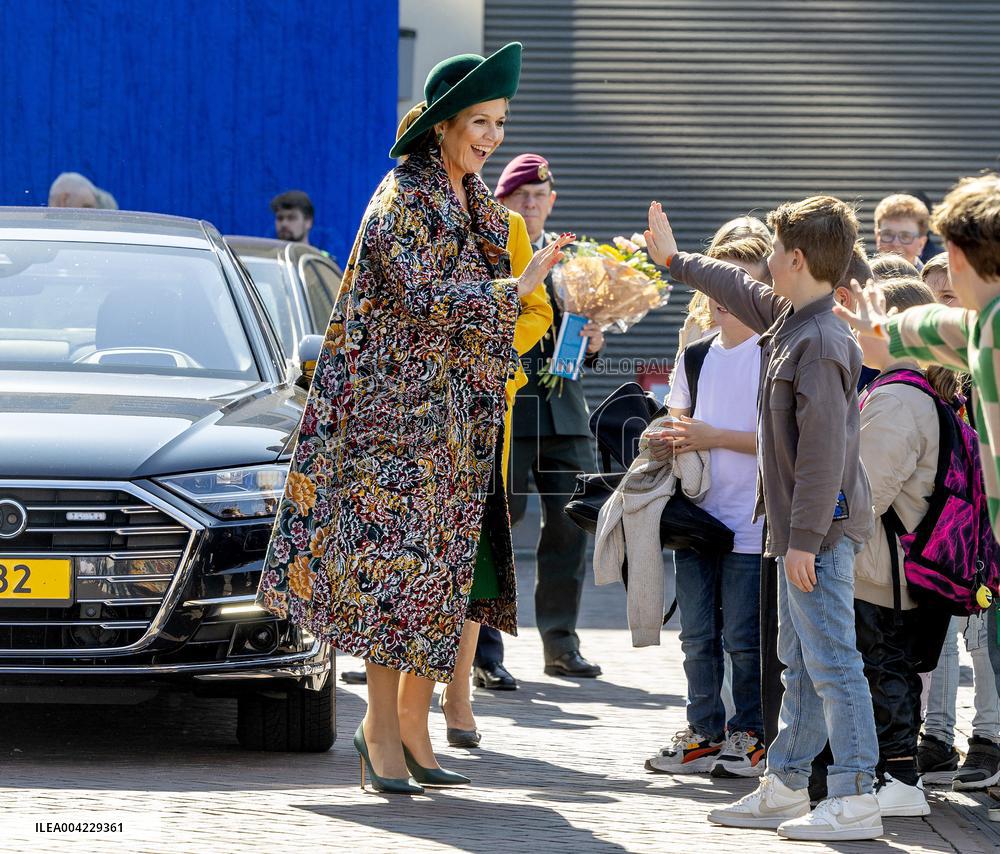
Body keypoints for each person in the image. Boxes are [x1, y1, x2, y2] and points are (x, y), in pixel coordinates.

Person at [256, 42, 573, 794]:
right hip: (391, 429)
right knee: (395, 582)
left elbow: (481, 318)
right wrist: (516, 287)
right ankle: (379, 734)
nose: (492, 136)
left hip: (453, 430)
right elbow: (425, 300)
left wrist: (522, 292)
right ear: (442, 126)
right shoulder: (404, 197)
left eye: (500, 122)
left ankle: (411, 731)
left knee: (436, 583)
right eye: (480, 122)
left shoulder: (471, 203)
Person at [646, 197, 883, 841]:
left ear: (798, 259)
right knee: (799, 664)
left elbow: (823, 456)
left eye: (776, 252)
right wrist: (674, 260)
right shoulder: (790, 319)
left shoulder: (822, 341)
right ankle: (784, 785)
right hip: (799, 536)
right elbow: (731, 283)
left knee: (832, 662)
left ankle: (856, 794)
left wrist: (804, 541)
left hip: (819, 536)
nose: (765, 264)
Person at [472, 152, 605, 687]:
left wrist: (594, 343)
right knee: (495, 528)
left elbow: (574, 343)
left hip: (566, 413)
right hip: (510, 409)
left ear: (551, 201)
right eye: (520, 196)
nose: (531, 203)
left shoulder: (576, 262)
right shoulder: (490, 256)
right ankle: (483, 651)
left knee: (574, 523)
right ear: (502, 202)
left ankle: (560, 642)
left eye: (539, 196)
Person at [644, 233, 770, 779]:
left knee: (745, 639)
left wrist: (714, 435)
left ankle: (751, 734)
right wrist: (661, 438)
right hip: (697, 519)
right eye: (714, 279)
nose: (721, 294)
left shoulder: (774, 352)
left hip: (752, 522)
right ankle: (702, 732)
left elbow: (784, 444)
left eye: (735, 281)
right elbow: (675, 425)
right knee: (696, 635)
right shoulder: (695, 355)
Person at [852, 278, 958, 817]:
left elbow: (864, 494)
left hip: (880, 562)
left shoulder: (894, 398)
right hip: (906, 561)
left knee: (881, 664)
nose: (854, 324)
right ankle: (896, 773)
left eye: (868, 314)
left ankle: (898, 777)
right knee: (889, 665)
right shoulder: (923, 391)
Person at [874, 193, 930, 269]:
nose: (895, 243)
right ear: (877, 236)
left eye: (905, 236)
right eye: (888, 234)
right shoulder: (859, 278)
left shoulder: (930, 280)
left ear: (921, 244)